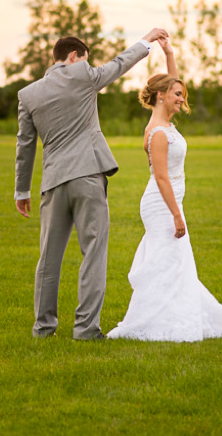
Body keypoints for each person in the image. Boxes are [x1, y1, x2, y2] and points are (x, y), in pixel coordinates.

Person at [13, 28, 169, 341]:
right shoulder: (83, 75)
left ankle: (43, 329)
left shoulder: (28, 94)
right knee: (94, 253)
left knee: (48, 259)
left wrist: (22, 190)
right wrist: (146, 40)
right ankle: (85, 329)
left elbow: (25, 145)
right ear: (74, 57)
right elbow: (119, 64)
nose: (89, 64)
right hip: (87, 176)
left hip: (53, 182)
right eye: (86, 58)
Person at [107, 36, 222, 342]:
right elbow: (161, 178)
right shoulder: (157, 132)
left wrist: (169, 53)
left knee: (175, 263)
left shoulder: (165, 120)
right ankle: (151, 320)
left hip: (169, 201)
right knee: (166, 261)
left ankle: (173, 313)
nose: (181, 99)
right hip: (161, 204)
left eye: (182, 94)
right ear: (161, 96)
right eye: (177, 95)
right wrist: (177, 216)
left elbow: (173, 83)